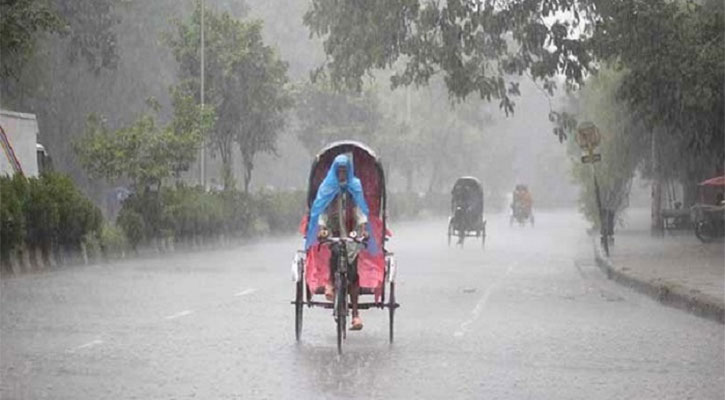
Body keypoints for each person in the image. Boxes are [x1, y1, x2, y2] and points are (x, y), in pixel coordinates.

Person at [305, 154, 375, 331]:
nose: (342, 174)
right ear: (335, 171)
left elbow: (360, 209)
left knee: (353, 274)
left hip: (351, 234)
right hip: (334, 231)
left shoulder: (355, 186)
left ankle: (356, 314)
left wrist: (364, 228)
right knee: (334, 254)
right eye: (339, 171)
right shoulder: (328, 187)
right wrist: (321, 228)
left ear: (348, 171)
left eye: (345, 171)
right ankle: (329, 283)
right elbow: (323, 211)